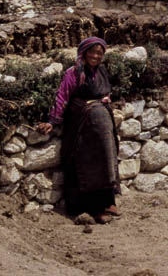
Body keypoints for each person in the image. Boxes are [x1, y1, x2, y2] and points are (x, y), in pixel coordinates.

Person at [37, 36, 120, 223]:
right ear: (84, 52)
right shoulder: (74, 73)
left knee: (107, 157)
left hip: (102, 126)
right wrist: (53, 120)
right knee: (87, 165)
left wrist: (105, 101)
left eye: (100, 53)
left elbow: (105, 92)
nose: (96, 56)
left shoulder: (102, 71)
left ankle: (108, 201)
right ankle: (93, 210)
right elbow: (62, 97)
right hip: (81, 127)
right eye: (93, 52)